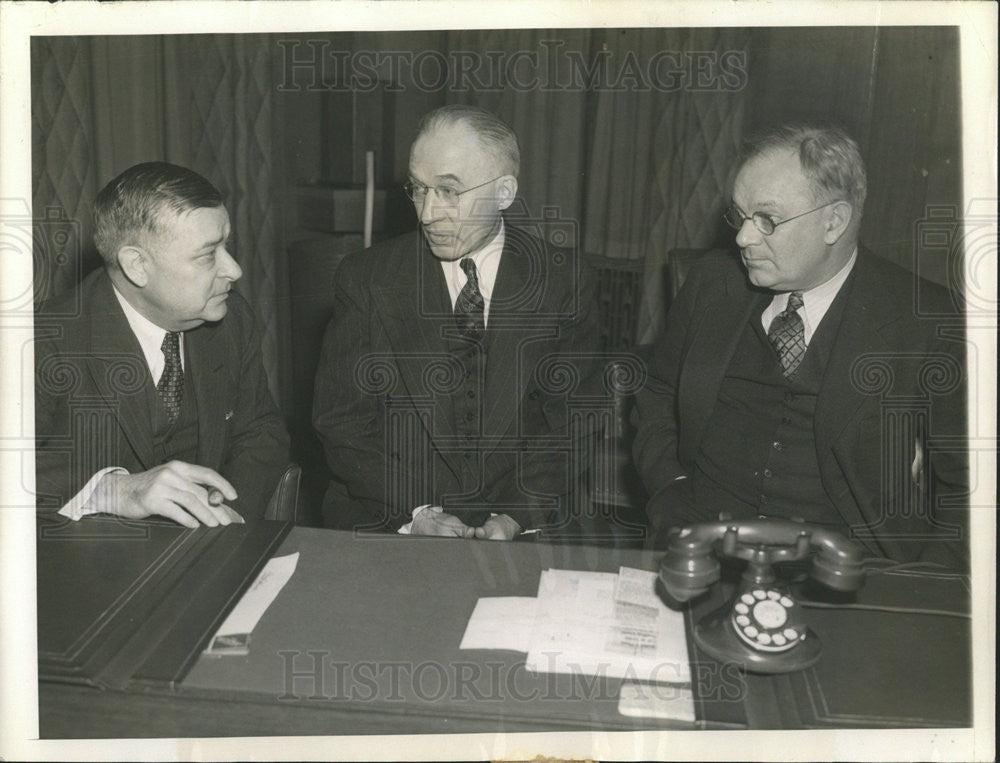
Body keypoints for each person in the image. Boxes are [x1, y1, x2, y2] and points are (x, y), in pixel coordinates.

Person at [633, 123, 968, 568]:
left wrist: (925, 587)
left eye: (767, 220)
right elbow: (656, 393)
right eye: (739, 215)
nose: (743, 238)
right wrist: (671, 486)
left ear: (834, 221)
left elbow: (969, 485)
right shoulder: (712, 286)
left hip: (851, 569)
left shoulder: (927, 321)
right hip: (700, 546)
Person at [313, 105, 602, 540]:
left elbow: (572, 423)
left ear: (504, 193)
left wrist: (514, 516)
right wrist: (417, 513)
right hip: (394, 514)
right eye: (417, 189)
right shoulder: (366, 278)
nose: (428, 213)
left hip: (526, 517)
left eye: (449, 191)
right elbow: (342, 424)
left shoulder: (563, 279)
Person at [35, 162, 290, 527]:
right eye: (207, 255)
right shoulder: (42, 340)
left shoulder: (231, 318)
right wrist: (113, 490)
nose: (234, 270)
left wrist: (227, 516)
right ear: (137, 265)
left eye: (226, 246)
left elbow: (260, 431)